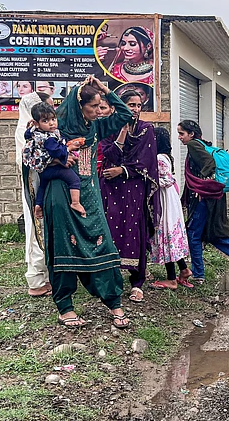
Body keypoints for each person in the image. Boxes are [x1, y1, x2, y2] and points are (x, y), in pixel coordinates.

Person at [42, 75, 134, 329]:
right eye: (93, 106)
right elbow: (34, 155)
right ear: (79, 105)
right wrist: (55, 160)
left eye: (99, 105)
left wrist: (106, 90)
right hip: (61, 194)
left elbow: (124, 113)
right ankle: (65, 308)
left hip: (90, 196)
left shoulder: (96, 127)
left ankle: (115, 303)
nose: (98, 110)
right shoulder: (56, 127)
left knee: (102, 244)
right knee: (63, 247)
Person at [99, 90, 161, 304]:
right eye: (130, 105)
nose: (134, 109)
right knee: (110, 229)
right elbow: (108, 155)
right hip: (110, 188)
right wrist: (122, 132)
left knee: (135, 230)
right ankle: (111, 280)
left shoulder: (146, 130)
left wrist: (122, 170)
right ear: (119, 107)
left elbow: (146, 162)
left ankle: (137, 283)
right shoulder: (108, 128)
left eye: (137, 105)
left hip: (134, 188)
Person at [178, 119, 229, 283]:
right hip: (213, 196)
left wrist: (202, 187)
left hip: (205, 197)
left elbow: (209, 163)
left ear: (191, 134)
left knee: (193, 234)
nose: (179, 137)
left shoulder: (193, 145)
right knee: (209, 232)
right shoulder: (203, 144)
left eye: (181, 133)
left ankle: (198, 274)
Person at [16, 91, 54, 297]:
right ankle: (36, 280)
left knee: (44, 228)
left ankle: (45, 277)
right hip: (35, 186)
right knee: (36, 228)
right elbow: (35, 159)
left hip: (41, 184)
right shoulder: (25, 131)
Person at [22, 102, 86, 219]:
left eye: (53, 119)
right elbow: (57, 152)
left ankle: (38, 205)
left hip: (43, 170)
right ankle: (75, 203)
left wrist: (31, 127)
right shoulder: (48, 138)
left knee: (43, 185)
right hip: (53, 167)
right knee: (74, 180)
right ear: (37, 123)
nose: (51, 123)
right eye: (45, 121)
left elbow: (27, 135)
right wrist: (69, 148)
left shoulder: (35, 132)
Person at [149, 126, 193, 290]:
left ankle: (171, 279)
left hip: (164, 200)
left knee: (165, 233)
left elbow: (166, 180)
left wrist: (148, 180)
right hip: (170, 198)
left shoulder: (159, 157)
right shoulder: (167, 156)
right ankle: (183, 269)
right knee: (171, 236)